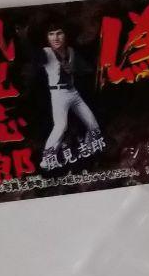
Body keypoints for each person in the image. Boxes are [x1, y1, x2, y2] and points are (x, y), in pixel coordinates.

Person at [36, 26, 104, 170]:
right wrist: (23, 38)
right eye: (51, 34)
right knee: (61, 126)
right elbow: (34, 57)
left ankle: (90, 148)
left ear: (65, 35)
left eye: (59, 33)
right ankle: (47, 158)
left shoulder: (71, 51)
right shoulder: (46, 52)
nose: (55, 37)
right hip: (58, 94)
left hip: (73, 93)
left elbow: (87, 69)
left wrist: (75, 69)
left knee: (93, 124)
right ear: (47, 37)